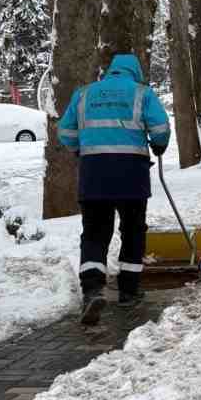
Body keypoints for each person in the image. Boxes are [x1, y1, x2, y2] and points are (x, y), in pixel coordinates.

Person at [57, 52, 171, 325]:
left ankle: (93, 289)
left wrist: (78, 150)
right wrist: (159, 144)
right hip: (131, 172)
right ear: (135, 72)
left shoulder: (84, 94)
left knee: (95, 232)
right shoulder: (141, 93)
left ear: (109, 71)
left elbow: (65, 132)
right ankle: (129, 291)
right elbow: (161, 127)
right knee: (132, 229)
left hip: (94, 172)